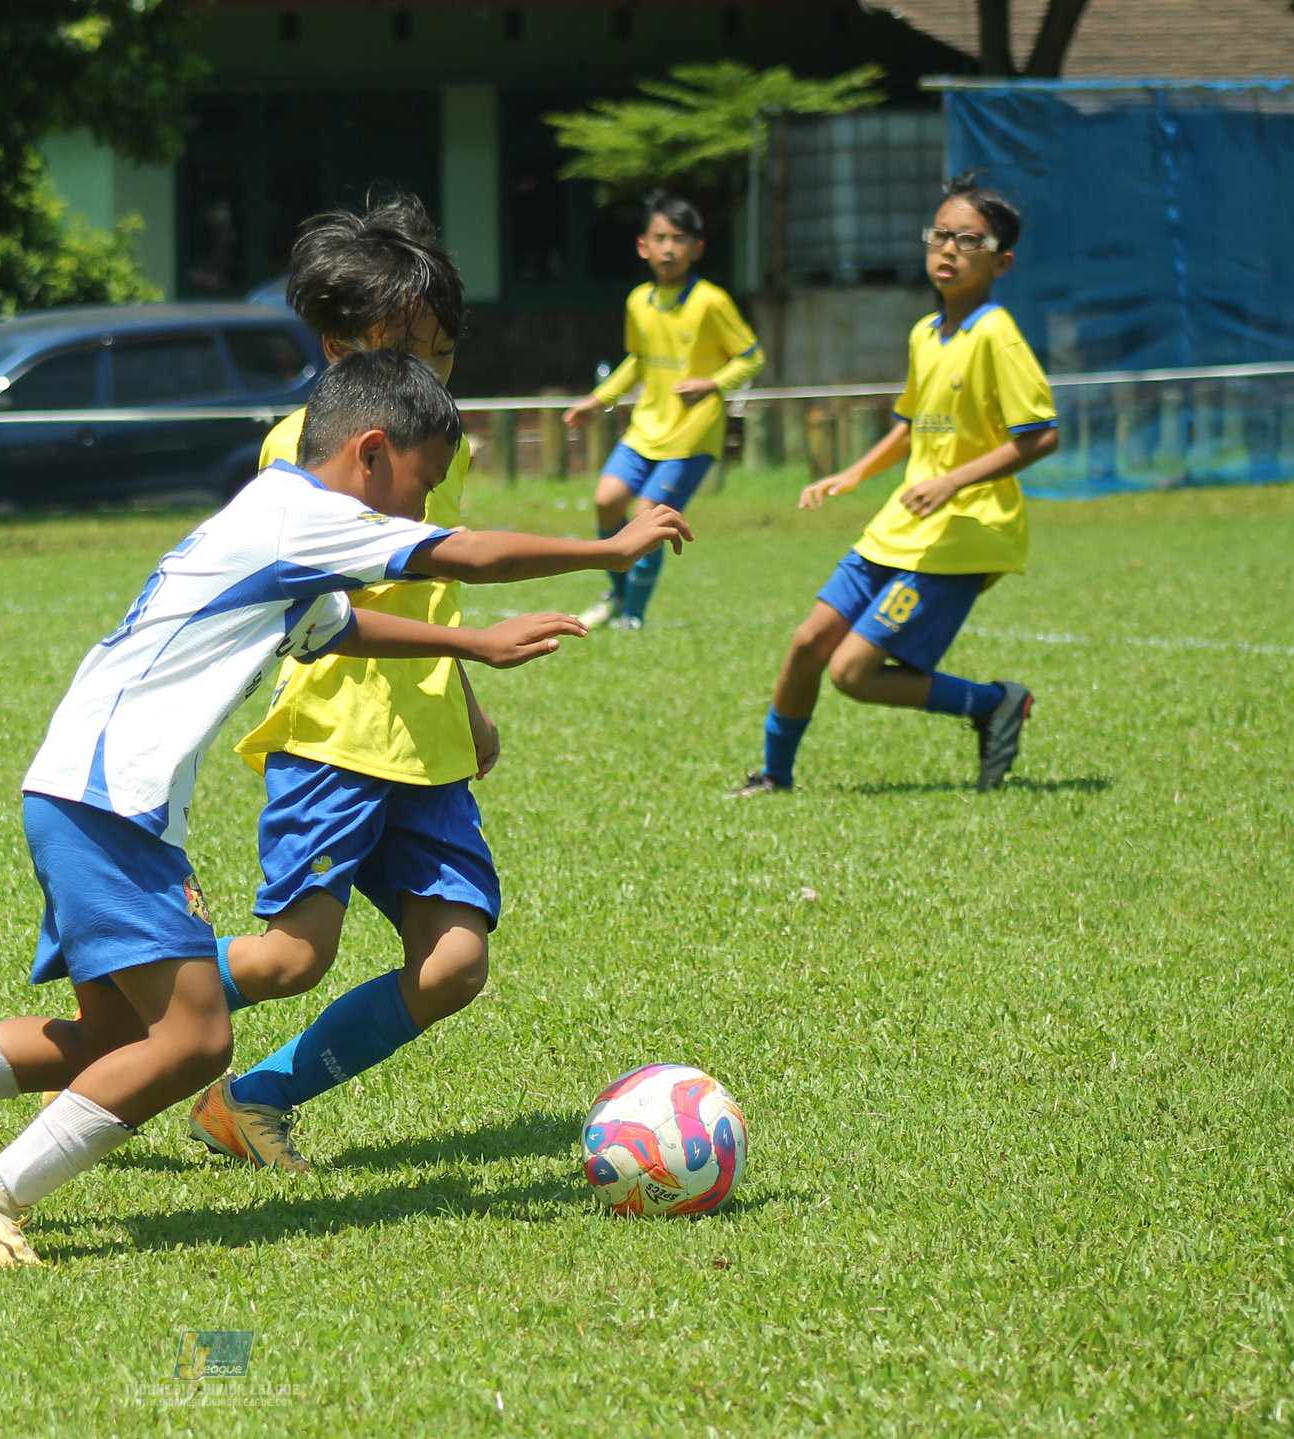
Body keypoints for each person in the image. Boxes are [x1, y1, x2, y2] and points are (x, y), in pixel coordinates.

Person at [0, 348, 691, 1269]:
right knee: (197, 1039)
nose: (421, 508)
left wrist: (475, 650)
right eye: (421, 482)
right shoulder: (308, 514)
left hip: (79, 786)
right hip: (113, 797)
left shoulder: (274, 525)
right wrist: (608, 548)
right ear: (371, 453)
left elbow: (341, 627)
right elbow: (463, 552)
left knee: (112, 1033)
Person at [184, 192, 682, 1173]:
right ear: (340, 349)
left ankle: (252, 1100)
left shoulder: (425, 439)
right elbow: (362, 602)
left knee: (453, 962)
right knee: (290, 957)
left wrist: (463, 701)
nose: (434, 378)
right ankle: (121, 1003)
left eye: (445, 356)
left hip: (424, 742)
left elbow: (427, 592)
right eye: (411, 352)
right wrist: (600, 549)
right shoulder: (303, 449)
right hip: (334, 734)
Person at [726, 174, 1058, 799]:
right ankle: (773, 775)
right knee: (807, 644)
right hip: (901, 525)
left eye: (969, 239)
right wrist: (852, 474)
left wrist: (951, 483)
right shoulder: (925, 334)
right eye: (940, 234)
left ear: (1001, 261)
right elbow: (912, 424)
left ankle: (993, 703)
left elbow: (1040, 436)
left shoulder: (996, 334)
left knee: (853, 672)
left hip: (963, 532)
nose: (949, 249)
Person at [562, 192, 765, 630]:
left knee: (646, 515)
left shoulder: (711, 302)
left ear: (697, 248)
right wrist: (599, 400)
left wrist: (712, 384)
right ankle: (617, 594)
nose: (669, 248)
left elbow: (751, 356)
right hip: (646, 429)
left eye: (679, 239)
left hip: (693, 433)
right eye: (660, 238)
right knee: (606, 500)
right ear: (643, 246)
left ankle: (634, 615)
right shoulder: (639, 301)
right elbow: (638, 359)